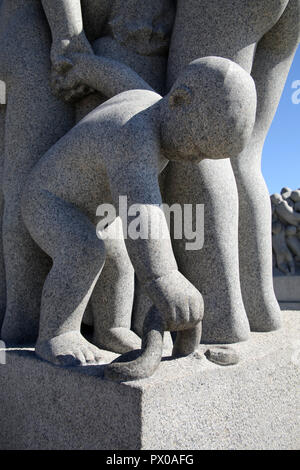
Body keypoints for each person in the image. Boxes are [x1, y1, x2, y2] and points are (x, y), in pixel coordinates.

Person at [21, 54, 257, 367]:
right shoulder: (134, 134)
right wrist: (165, 277)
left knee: (120, 257)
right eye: (198, 147)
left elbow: (118, 76)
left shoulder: (151, 101)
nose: (197, 160)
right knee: (84, 250)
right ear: (179, 101)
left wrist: (82, 67)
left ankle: (112, 327)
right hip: (48, 199)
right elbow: (143, 211)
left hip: (95, 210)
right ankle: (56, 333)